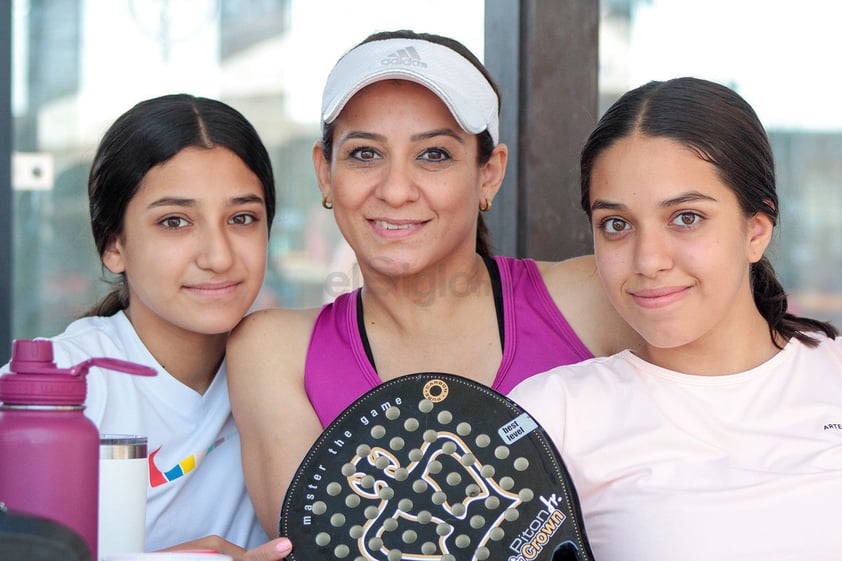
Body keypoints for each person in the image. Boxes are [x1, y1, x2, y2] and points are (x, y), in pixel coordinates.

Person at [227, 29, 642, 537]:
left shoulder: (590, 299)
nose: (396, 189)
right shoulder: (275, 351)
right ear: (324, 173)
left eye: (434, 155)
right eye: (364, 154)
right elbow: (321, 547)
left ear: (488, 174)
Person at [508, 77, 842, 560]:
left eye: (686, 217)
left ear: (756, 229)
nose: (648, 260)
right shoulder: (554, 414)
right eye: (616, 225)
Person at [1, 94, 291, 561]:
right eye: (175, 222)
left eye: (242, 218)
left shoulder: (291, 367)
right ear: (113, 244)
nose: (218, 257)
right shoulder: (58, 389)